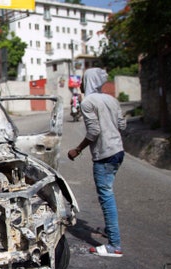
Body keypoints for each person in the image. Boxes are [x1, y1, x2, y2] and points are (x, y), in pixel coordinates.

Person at [67, 68, 126, 258]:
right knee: (108, 193)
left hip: (104, 155)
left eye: (83, 80)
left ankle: (114, 245)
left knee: (106, 197)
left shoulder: (88, 102)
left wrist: (77, 149)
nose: (81, 84)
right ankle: (111, 231)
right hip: (118, 151)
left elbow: (94, 131)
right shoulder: (112, 100)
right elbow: (122, 125)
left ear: (89, 81)